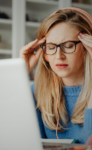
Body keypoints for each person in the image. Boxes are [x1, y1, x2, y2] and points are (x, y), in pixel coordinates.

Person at [19, 7, 92, 144]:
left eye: (69, 46)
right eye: (51, 47)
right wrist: (20, 74)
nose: (59, 56)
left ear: (87, 47)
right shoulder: (36, 91)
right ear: (44, 53)